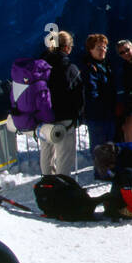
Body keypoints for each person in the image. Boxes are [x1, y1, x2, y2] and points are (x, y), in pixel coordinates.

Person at [40, 30, 84, 175]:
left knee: (47, 153)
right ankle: (63, 189)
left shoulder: (40, 66)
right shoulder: (69, 68)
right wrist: (79, 114)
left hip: (44, 116)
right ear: (66, 47)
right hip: (64, 118)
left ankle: (47, 184)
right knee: (64, 156)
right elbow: (78, 94)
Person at [82, 33, 117, 151]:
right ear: (90, 49)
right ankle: (100, 170)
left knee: (109, 150)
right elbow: (91, 93)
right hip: (97, 116)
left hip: (108, 114)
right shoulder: (90, 68)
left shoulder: (105, 66)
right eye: (98, 47)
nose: (102, 50)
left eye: (104, 47)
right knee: (101, 151)